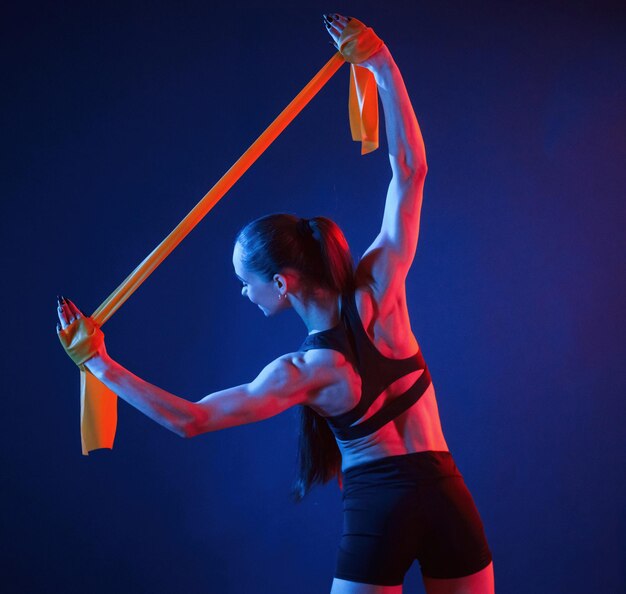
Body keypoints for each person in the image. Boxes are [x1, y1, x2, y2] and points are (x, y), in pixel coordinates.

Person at [57, 13, 494, 594]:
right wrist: (381, 63)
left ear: (282, 284)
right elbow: (410, 172)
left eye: (247, 281)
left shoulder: (304, 373)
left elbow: (192, 420)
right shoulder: (381, 291)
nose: (244, 292)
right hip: (449, 500)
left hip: (378, 516)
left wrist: (97, 362)